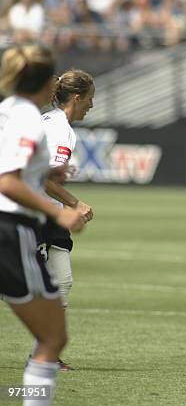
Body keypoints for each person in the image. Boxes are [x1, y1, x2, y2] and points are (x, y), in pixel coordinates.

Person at [0, 44, 84, 406]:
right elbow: (8, 181)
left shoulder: (8, 111)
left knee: (51, 333)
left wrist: (46, 172)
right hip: (9, 227)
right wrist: (58, 212)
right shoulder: (30, 119)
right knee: (52, 337)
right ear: (46, 82)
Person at [33, 69, 96, 371]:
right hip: (34, 212)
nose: (91, 106)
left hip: (49, 213)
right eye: (90, 99)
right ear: (76, 97)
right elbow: (42, 178)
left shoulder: (50, 122)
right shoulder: (60, 130)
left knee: (62, 278)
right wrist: (75, 204)